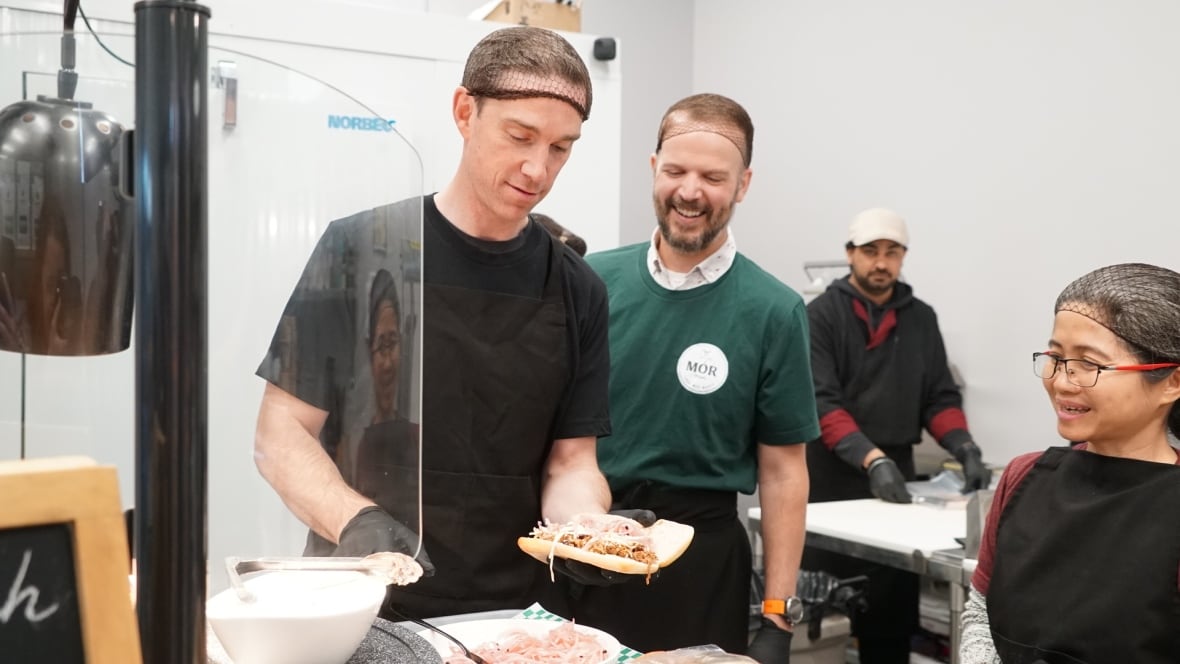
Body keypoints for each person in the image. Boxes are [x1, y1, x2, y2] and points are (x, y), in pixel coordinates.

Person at [253, 26, 620, 620]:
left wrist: (585, 531)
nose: (537, 168)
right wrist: (360, 521)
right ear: (464, 111)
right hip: (366, 604)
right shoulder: (361, 250)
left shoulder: (577, 287)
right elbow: (280, 434)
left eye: (561, 148)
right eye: (520, 136)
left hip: (514, 615)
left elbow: (571, 463)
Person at [567, 93, 819, 661]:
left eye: (713, 176)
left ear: (743, 184)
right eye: (676, 170)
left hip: (702, 568)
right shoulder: (590, 283)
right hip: (589, 552)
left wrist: (778, 617)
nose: (690, 191)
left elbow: (783, 474)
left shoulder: (773, 310)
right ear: (654, 168)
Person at [960, 263, 1180, 664]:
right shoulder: (1023, 476)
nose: (1062, 381)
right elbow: (979, 611)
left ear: (1171, 382)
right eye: (1056, 358)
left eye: (1090, 365)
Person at [802, 208, 991, 663]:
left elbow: (939, 399)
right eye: (870, 251)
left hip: (896, 486)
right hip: (832, 483)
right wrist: (872, 459)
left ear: (903, 256)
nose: (881, 262)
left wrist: (963, 445)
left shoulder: (922, 319)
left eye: (892, 252)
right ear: (851, 254)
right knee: (821, 619)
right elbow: (823, 403)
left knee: (888, 624)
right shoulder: (820, 316)